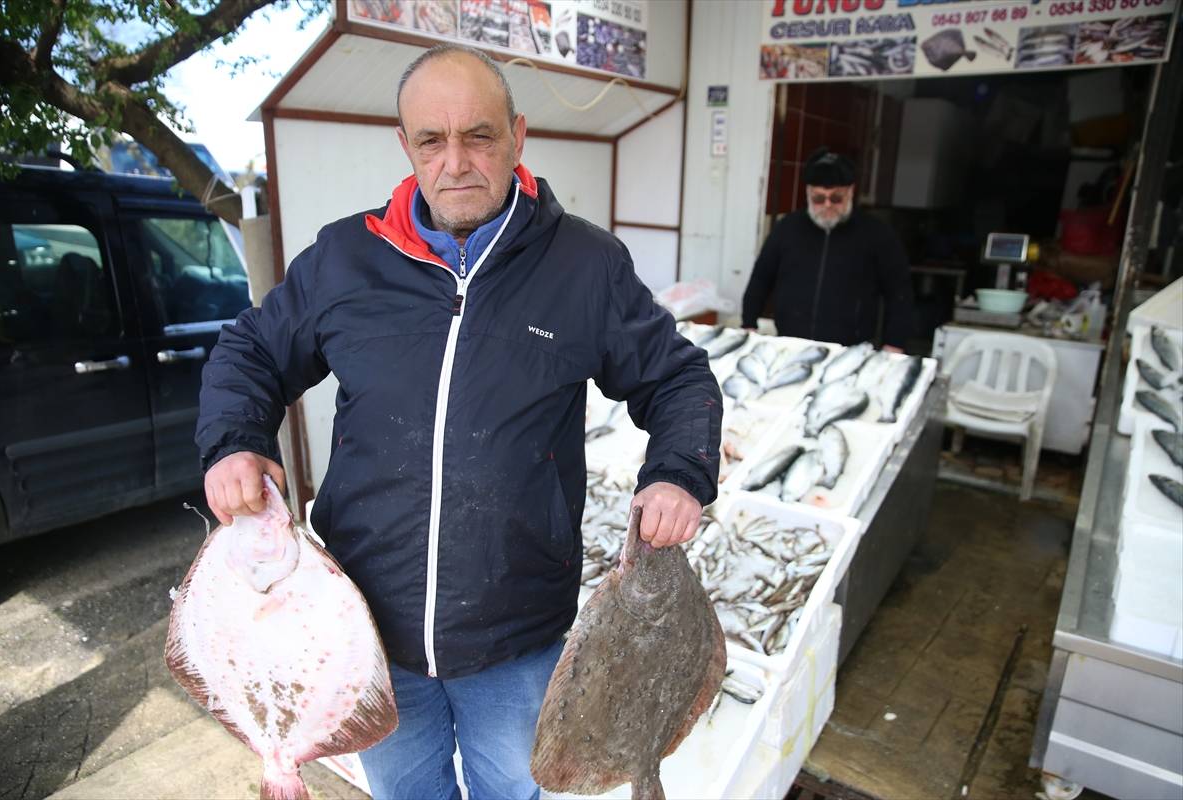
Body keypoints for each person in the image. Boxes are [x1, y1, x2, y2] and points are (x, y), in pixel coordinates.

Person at [195, 44, 721, 800]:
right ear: (405, 146)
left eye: (479, 136)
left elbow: (677, 377)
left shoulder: (584, 265)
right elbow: (251, 350)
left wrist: (678, 473)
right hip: (368, 636)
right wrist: (233, 444)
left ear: (518, 136)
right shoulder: (346, 258)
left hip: (517, 637)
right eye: (432, 141)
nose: (456, 162)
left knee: (514, 789)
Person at [741, 147, 914, 351]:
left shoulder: (876, 234)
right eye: (819, 198)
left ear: (850, 192)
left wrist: (894, 343)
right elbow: (761, 278)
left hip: (851, 350)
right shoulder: (787, 228)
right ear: (808, 193)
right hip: (791, 344)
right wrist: (749, 323)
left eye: (836, 198)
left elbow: (899, 292)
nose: (827, 205)